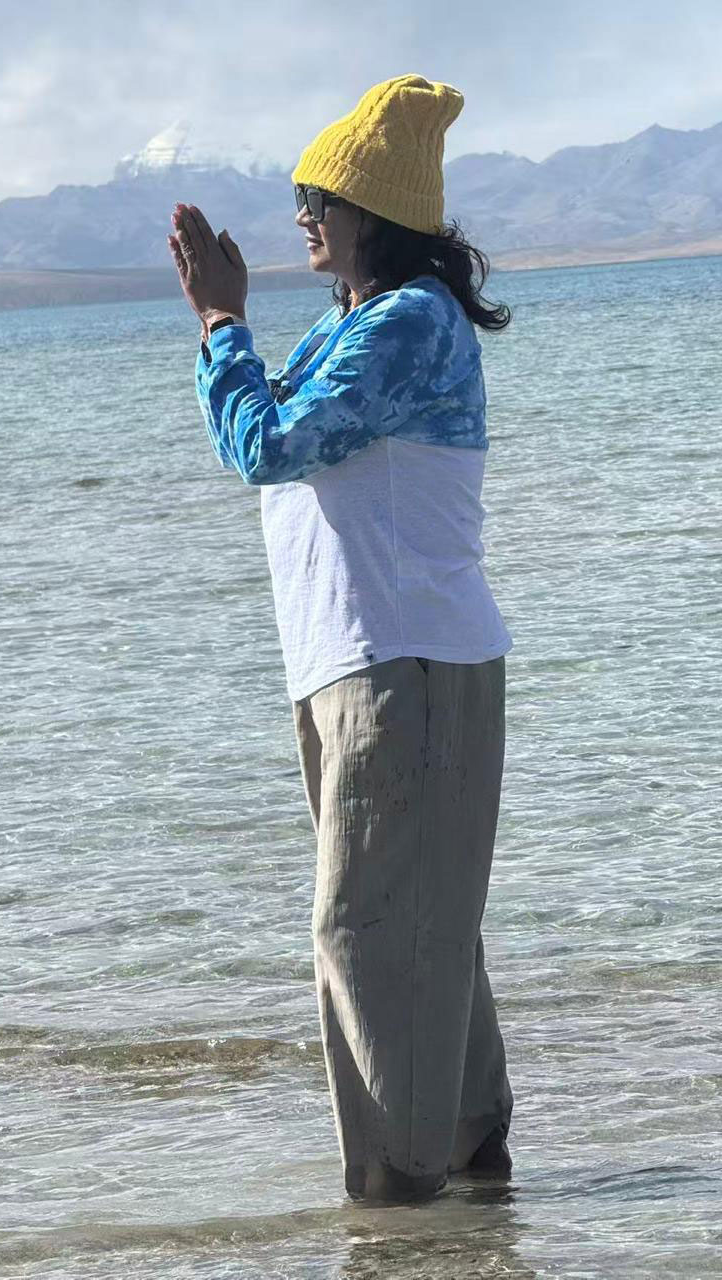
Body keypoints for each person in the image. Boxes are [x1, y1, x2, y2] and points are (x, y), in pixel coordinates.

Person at [168, 73, 514, 1204]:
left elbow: (264, 445)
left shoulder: (407, 322)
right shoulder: (351, 328)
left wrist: (220, 322)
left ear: (373, 210)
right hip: (363, 666)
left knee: (367, 929)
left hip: (401, 665)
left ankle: (396, 1209)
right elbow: (271, 430)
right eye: (302, 195)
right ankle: (469, 1184)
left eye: (319, 195)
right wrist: (231, 333)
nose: (304, 215)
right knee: (423, 923)